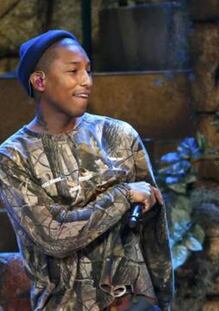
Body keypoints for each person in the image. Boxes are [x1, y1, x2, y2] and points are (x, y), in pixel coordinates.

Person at [0, 30, 173, 311]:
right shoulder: (13, 157)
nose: (86, 81)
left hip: (133, 302)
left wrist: (164, 301)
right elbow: (54, 236)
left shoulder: (119, 135)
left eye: (88, 70)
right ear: (40, 80)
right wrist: (124, 195)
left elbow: (154, 231)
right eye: (73, 71)